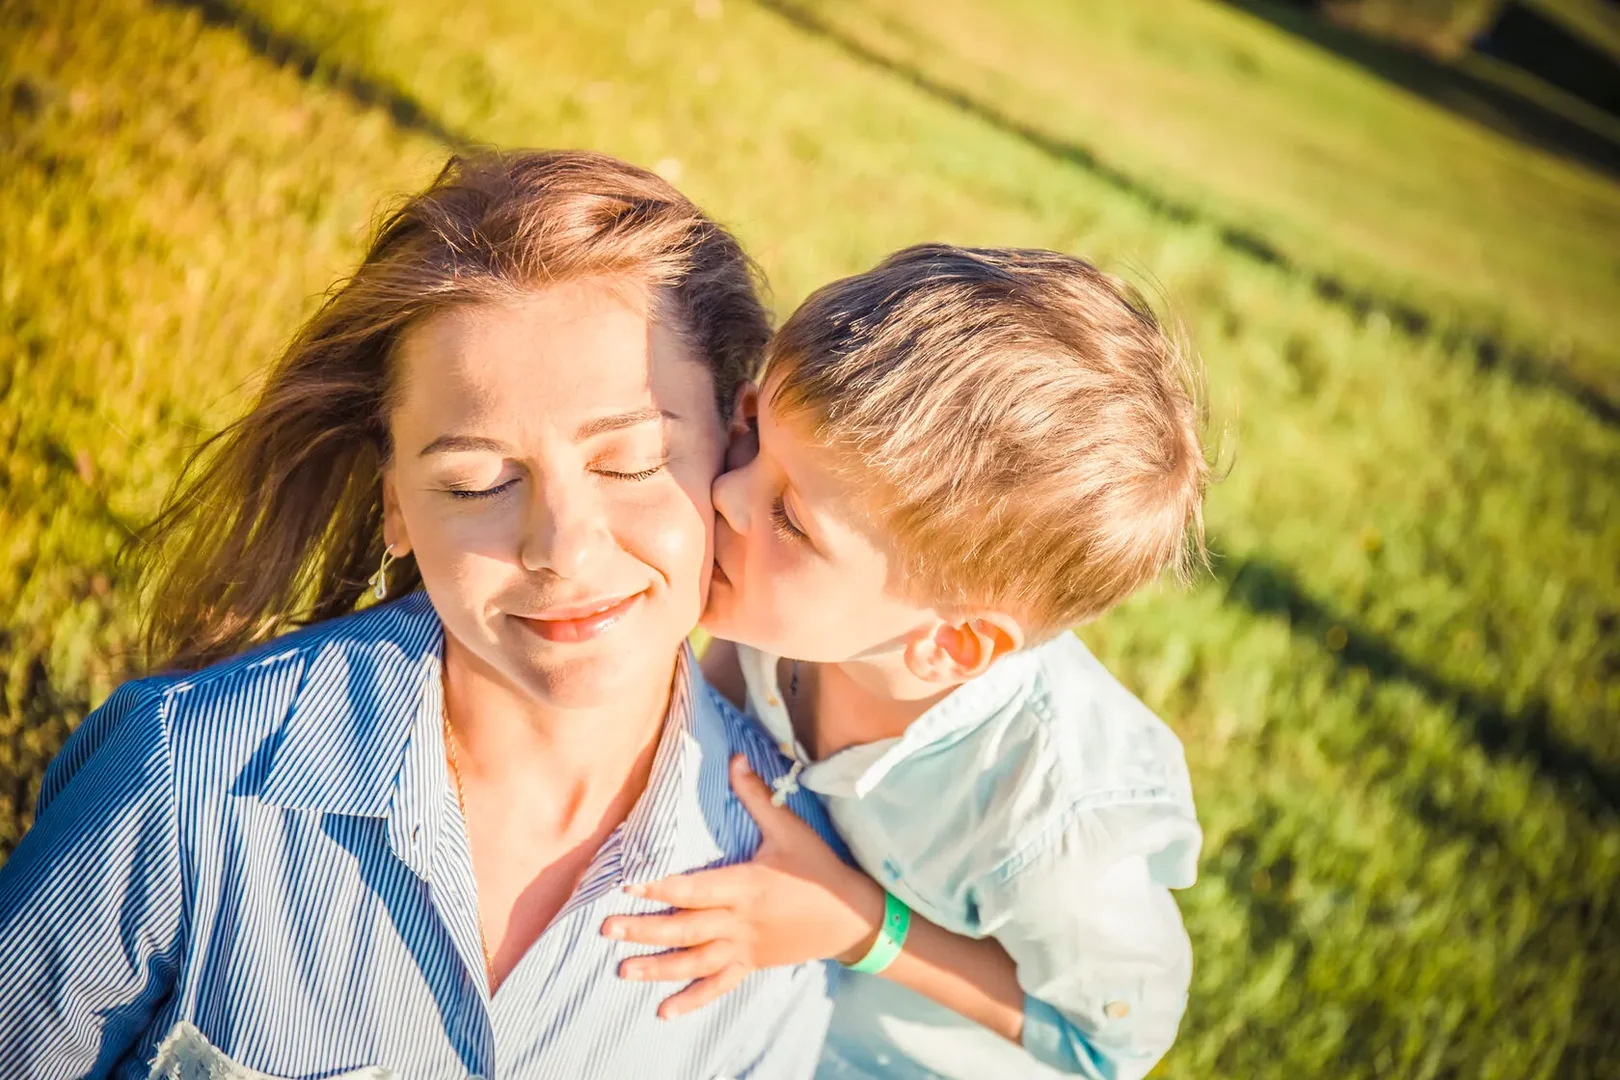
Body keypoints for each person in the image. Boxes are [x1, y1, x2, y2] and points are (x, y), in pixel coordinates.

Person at [0, 150, 837, 1079]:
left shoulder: (786, 879)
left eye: (630, 462)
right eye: (476, 482)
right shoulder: (186, 776)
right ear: (395, 501)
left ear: (734, 440)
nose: (562, 548)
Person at [603, 245, 1208, 1079]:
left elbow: (1113, 1040)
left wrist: (860, 925)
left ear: (947, 646)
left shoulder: (1048, 813)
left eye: (791, 519)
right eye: (753, 427)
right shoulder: (790, 613)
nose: (727, 494)